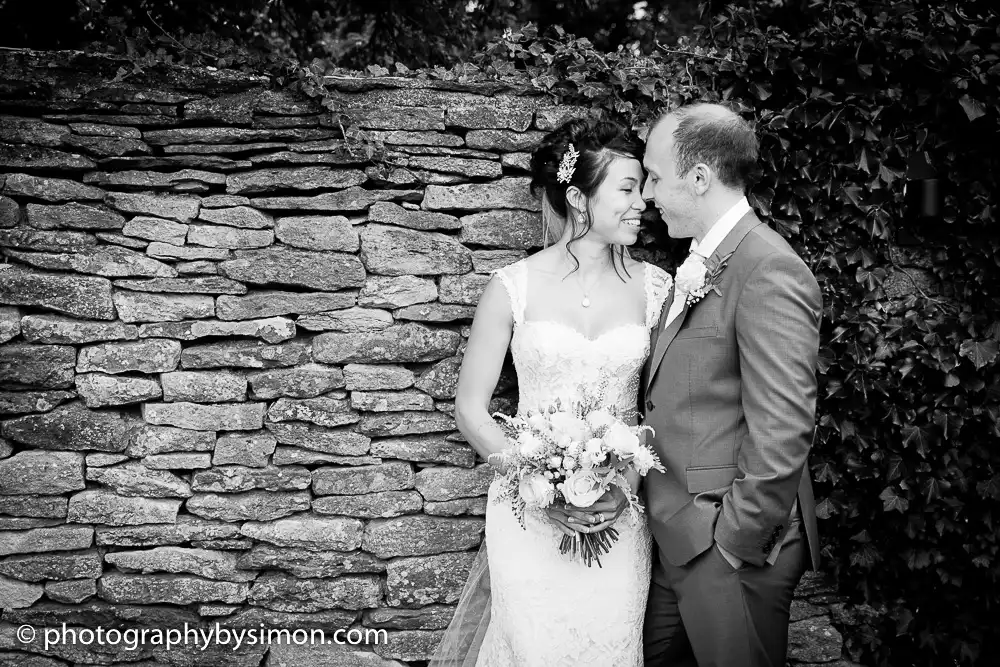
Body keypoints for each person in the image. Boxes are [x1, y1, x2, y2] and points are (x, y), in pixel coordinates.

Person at [430, 118, 673, 666]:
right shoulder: (511, 288)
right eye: (628, 189)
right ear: (577, 198)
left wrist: (623, 485)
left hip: (620, 509)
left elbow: (660, 409)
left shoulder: (658, 290)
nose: (643, 204)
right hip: (528, 513)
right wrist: (541, 486)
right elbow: (470, 409)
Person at [639, 103, 822, 666]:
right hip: (676, 539)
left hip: (726, 546)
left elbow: (784, 426)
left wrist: (734, 543)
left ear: (698, 179)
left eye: (654, 176)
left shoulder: (767, 267)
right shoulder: (699, 261)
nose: (647, 194)